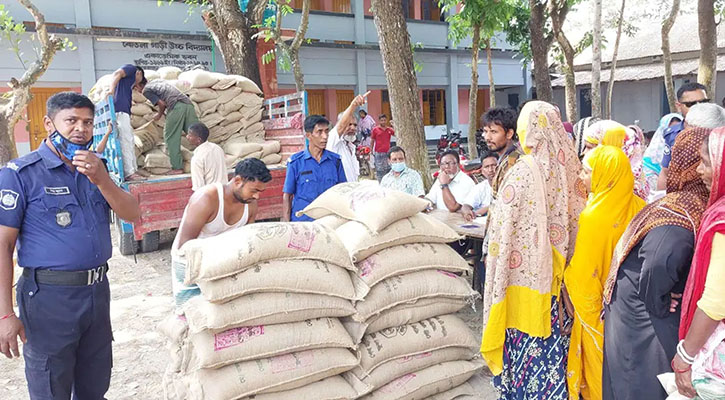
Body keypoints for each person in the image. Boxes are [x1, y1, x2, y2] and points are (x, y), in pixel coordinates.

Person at [0, 92, 141, 398]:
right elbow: (3, 245)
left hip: (96, 293)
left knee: (94, 384)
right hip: (49, 299)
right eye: (72, 121)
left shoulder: (95, 168)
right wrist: (5, 313)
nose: (81, 129)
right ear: (49, 123)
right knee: (51, 386)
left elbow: (132, 213)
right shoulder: (21, 174)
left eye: (88, 122)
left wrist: (102, 179)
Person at [481, 101, 585, 400]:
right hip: (564, 286)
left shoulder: (522, 172)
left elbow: (503, 230)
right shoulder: (573, 171)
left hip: (523, 288)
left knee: (527, 355)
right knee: (556, 355)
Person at [601, 127, 711, 400]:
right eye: (704, 161)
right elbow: (660, 260)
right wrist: (662, 301)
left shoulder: (685, 201)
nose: (702, 170)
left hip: (638, 305)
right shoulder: (683, 206)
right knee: (644, 386)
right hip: (645, 315)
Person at [564, 145, 646, 400]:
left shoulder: (593, 216)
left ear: (604, 177)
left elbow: (584, 275)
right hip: (633, 311)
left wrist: (566, 281)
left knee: (601, 376)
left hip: (600, 314)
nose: (581, 177)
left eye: (587, 172)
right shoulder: (642, 207)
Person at [170, 159, 271, 310]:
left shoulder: (250, 205)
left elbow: (247, 242)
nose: (257, 197)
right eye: (254, 190)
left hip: (221, 264)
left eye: (260, 192)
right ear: (237, 181)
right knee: (191, 314)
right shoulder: (206, 199)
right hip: (190, 264)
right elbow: (185, 246)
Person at [672, 127, 725, 398]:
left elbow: (716, 301)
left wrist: (685, 357)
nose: (699, 171)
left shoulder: (723, 220)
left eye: (707, 162)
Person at [282, 115, 346, 222]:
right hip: (303, 222)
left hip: (329, 221)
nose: (325, 136)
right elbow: (287, 196)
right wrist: (287, 224)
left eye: (326, 131)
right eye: (319, 132)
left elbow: (343, 191)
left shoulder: (335, 161)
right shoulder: (295, 162)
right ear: (308, 135)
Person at [137, 79, 199, 175]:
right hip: (188, 104)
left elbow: (162, 104)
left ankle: (177, 167)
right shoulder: (157, 82)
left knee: (170, 137)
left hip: (176, 107)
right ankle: (211, 156)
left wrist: (159, 115)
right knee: (196, 133)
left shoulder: (146, 90)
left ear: (138, 86)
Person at [658, 83, 709, 190]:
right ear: (679, 106)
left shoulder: (719, 132)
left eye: (703, 102)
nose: (699, 107)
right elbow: (665, 171)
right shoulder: (672, 133)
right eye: (692, 104)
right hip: (684, 196)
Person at [108, 63, 146, 180]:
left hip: (123, 112)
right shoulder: (131, 69)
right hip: (120, 111)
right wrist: (111, 90)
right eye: (140, 80)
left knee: (129, 141)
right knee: (125, 141)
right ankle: (129, 173)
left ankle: (133, 170)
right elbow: (117, 73)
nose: (138, 84)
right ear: (138, 73)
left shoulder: (126, 85)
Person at [481, 106, 522, 199]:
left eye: (493, 132)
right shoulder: (504, 159)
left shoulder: (514, 162)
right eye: (485, 131)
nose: (487, 137)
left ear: (509, 134)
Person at [328, 93, 368, 182]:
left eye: (355, 125)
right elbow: (341, 126)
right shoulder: (333, 141)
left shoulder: (351, 146)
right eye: (349, 124)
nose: (352, 128)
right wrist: (353, 105)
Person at [643, 113, 683, 196]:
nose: (674, 134)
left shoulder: (689, 149)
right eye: (670, 129)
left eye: (677, 130)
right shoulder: (650, 157)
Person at [186, 122, 227, 191]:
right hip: (224, 192)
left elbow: (198, 188)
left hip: (210, 196)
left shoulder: (197, 158)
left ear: (198, 140)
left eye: (190, 135)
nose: (187, 137)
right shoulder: (217, 148)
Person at [461, 150, 497, 221]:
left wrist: (488, 208)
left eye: (494, 165)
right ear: (482, 171)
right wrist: (467, 212)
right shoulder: (480, 188)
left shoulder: (508, 185)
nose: (490, 170)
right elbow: (466, 206)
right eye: (486, 167)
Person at [371, 114, 395, 181]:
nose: (383, 122)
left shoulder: (389, 129)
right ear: (379, 121)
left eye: (384, 120)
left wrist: (393, 125)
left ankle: (388, 182)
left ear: (386, 121)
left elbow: (397, 134)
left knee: (388, 169)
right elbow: (372, 140)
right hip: (378, 153)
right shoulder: (375, 130)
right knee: (379, 170)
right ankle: (381, 183)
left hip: (387, 152)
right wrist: (371, 150)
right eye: (381, 120)